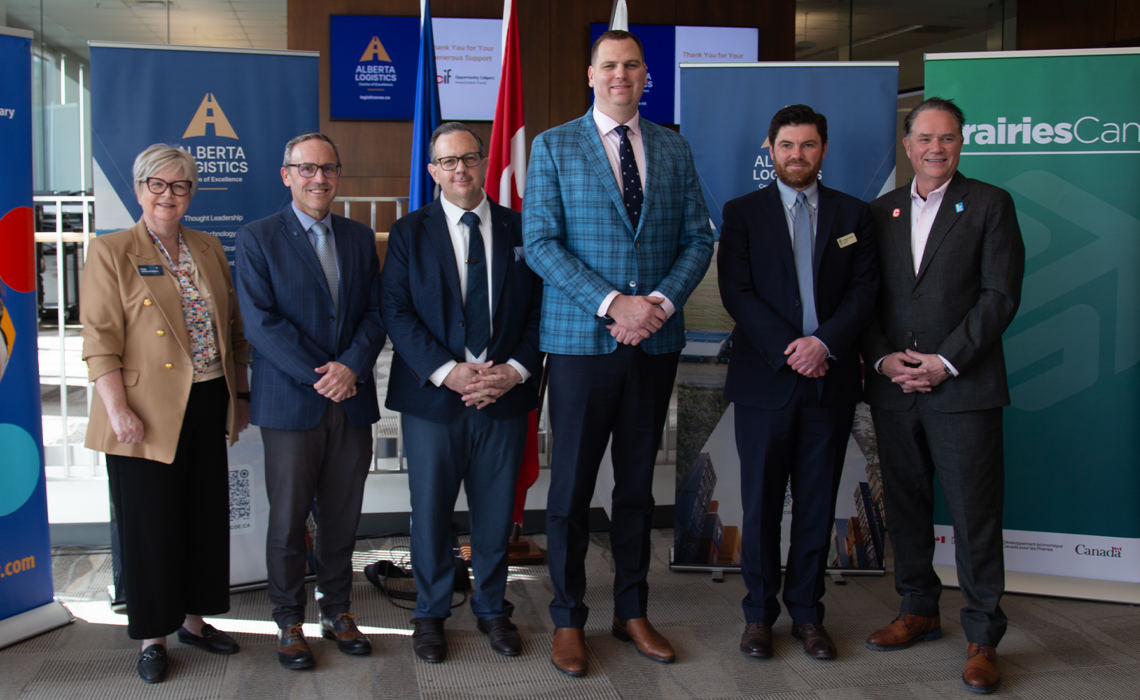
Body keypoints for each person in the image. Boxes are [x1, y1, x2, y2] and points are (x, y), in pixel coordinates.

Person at [523, 29, 714, 676]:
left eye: (632, 65)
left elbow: (697, 237)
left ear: (645, 75)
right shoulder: (552, 147)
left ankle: (632, 609)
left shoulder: (673, 146)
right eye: (609, 65)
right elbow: (542, 244)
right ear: (590, 73)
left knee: (636, 486)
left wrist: (656, 303)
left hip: (654, 340)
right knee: (571, 488)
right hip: (582, 341)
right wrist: (614, 304)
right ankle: (568, 618)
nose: (620, 75)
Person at [859, 97, 1025, 694]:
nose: (936, 148)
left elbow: (999, 295)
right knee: (905, 506)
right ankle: (919, 610)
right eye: (925, 138)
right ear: (907, 145)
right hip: (894, 387)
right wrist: (883, 358)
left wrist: (944, 362)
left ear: (961, 144)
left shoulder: (989, 205)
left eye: (947, 139)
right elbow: (865, 298)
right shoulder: (880, 212)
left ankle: (983, 635)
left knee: (974, 514)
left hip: (964, 387)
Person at [80, 144, 250, 683]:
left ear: (191, 194)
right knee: (152, 526)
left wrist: (238, 398)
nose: (169, 196)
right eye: (158, 184)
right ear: (138, 188)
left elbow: (233, 333)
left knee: (202, 517)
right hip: (143, 411)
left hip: (206, 400)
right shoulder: (111, 250)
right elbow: (100, 342)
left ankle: (194, 622)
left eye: (180, 186)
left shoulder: (207, 247)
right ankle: (154, 635)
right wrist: (117, 409)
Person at [718, 105, 878, 661]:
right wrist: (793, 349)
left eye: (808, 146)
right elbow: (737, 292)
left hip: (828, 382)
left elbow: (864, 292)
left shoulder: (855, 213)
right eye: (786, 145)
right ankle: (759, 616)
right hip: (766, 382)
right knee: (760, 505)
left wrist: (822, 344)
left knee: (815, 504)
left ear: (823, 150)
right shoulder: (741, 213)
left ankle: (808, 616)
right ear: (770, 149)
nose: (797, 155)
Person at [379, 122, 543, 663]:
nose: (461, 170)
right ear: (434, 172)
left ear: (485, 163)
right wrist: (448, 371)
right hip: (433, 399)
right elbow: (396, 313)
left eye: (469, 159)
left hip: (504, 394)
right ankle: (430, 612)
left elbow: (542, 311)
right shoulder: (408, 232)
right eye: (448, 162)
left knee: (496, 513)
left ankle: (493, 608)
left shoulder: (524, 229)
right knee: (429, 511)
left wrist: (516, 370)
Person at [234, 132, 386, 670]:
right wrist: (325, 376)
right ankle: (288, 619)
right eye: (306, 169)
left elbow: (375, 313)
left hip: (351, 401)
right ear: (286, 175)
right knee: (289, 519)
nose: (318, 178)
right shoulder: (257, 238)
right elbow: (261, 323)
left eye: (327, 169)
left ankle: (338, 611)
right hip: (292, 405)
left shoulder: (357, 236)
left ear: (337, 175)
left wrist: (351, 368)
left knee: (342, 518)